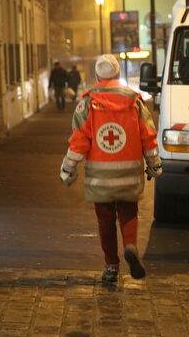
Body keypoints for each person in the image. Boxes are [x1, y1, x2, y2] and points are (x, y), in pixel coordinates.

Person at [59, 54, 162, 282]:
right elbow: (148, 135)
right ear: (117, 74)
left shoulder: (87, 102)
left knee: (105, 219)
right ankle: (131, 246)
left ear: (97, 75)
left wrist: (68, 167)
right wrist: (154, 164)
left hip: (100, 174)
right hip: (130, 173)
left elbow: (79, 139)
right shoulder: (134, 101)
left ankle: (111, 266)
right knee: (128, 213)